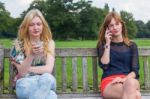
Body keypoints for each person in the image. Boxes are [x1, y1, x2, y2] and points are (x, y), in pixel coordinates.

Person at [10, 9, 57, 99]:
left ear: (43, 26)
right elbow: (23, 74)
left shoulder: (49, 43)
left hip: (45, 81)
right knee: (51, 95)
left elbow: (48, 70)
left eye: (38, 24)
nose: (36, 28)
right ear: (26, 27)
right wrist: (31, 54)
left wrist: (26, 67)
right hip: (25, 82)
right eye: (31, 25)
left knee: (47, 77)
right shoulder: (18, 45)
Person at [97, 11, 141, 99]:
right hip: (110, 82)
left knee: (130, 84)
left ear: (122, 25)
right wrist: (108, 44)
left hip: (129, 79)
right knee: (136, 95)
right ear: (107, 29)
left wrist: (123, 79)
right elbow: (105, 66)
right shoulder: (103, 45)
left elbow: (135, 71)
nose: (115, 27)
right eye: (111, 25)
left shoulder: (132, 45)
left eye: (117, 24)